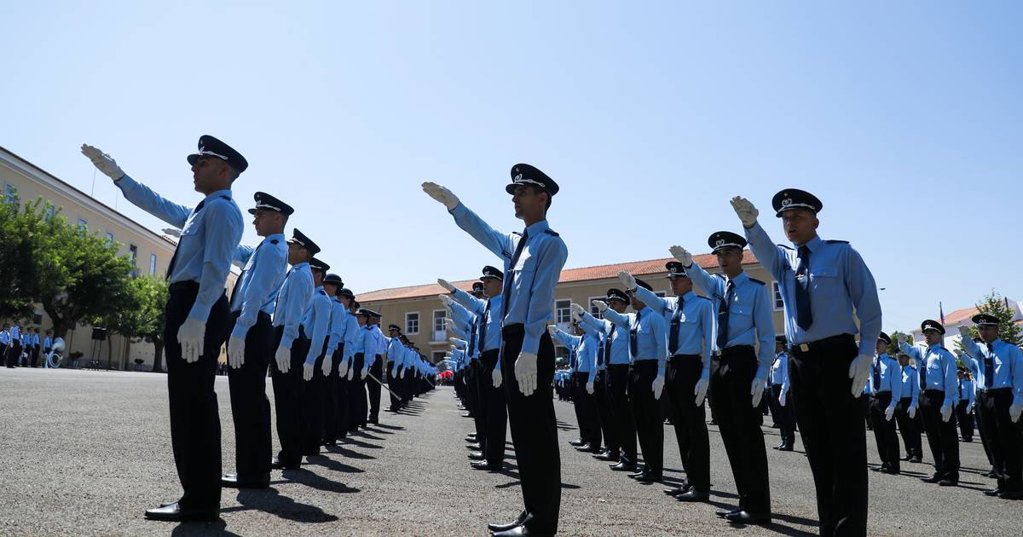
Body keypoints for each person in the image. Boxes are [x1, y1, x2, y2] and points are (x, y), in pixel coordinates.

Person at [82, 136, 245, 521]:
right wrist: (119, 176)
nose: (194, 166)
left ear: (225, 170)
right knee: (189, 401)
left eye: (202, 162)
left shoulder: (222, 211)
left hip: (196, 304)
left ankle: (200, 500)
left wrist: (198, 315)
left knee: (194, 402)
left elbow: (217, 266)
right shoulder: (203, 209)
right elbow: (157, 204)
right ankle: (198, 495)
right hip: (190, 303)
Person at [424, 163, 567, 537]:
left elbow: (540, 300)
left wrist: (530, 348)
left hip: (529, 344)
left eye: (522, 192)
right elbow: (482, 230)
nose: (515, 198)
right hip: (514, 343)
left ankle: (541, 524)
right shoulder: (517, 245)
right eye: (514, 193)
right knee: (522, 433)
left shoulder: (550, 243)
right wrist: (454, 205)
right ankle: (531, 512)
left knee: (537, 434)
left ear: (543, 198)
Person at [733, 189, 880, 536]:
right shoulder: (785, 261)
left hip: (837, 356)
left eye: (797, 217)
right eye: (784, 219)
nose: (790, 224)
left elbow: (868, 302)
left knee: (847, 448)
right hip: (801, 362)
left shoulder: (841, 254)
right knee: (817, 448)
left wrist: (866, 352)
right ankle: (828, 525)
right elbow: (765, 251)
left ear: (815, 220)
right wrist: (751, 226)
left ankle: (849, 529)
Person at [671, 231, 773, 524]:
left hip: (742, 362)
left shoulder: (755, 289)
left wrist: (762, 371)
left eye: (728, 253)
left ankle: (758, 505)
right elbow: (701, 279)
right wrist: (689, 264)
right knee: (729, 434)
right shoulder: (716, 287)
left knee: (748, 436)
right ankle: (746, 501)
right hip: (718, 364)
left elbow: (766, 335)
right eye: (719, 255)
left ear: (741, 255)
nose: (723, 259)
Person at [621, 263, 714, 501]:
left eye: (678, 279)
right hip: (673, 366)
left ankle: (702, 485)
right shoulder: (669, 306)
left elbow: (708, 343)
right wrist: (635, 289)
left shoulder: (703, 306)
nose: (673, 283)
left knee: (695, 428)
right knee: (681, 427)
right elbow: (653, 301)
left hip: (691, 366)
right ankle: (689, 479)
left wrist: (706, 375)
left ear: (690, 281)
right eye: (671, 279)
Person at [222, 192, 291, 489]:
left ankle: (253, 471)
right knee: (248, 399)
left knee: (248, 400)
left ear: (278, 218)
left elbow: (257, 293)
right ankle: (253, 468)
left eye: (260, 215)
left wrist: (240, 329)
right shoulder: (265, 247)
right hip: (250, 324)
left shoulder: (274, 250)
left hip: (251, 325)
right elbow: (238, 252)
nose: (254, 219)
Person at [442, 266, 508, 471]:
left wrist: (499, 364)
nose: (485, 285)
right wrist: (454, 294)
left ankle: (495, 458)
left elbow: (504, 337)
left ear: (501, 283)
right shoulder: (486, 306)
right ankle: (488, 451)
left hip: (495, 358)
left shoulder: (505, 304)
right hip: (482, 360)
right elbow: (470, 305)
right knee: (483, 408)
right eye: (484, 281)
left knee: (495, 411)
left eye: (489, 281)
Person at [958, 314, 1023, 499]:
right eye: (980, 329)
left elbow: (1019, 376)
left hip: (1003, 397)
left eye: (987, 328)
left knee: (1009, 442)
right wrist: (964, 337)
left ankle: (1015, 486)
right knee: (992, 441)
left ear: (996, 330)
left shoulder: (1011, 350)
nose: (983, 332)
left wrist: (1019, 400)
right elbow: (971, 349)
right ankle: (1001, 483)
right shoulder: (981, 350)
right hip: (984, 397)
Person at [270, 229, 318, 471]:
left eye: (292, 246)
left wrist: (285, 343)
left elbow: (294, 314)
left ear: (303, 251)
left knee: (287, 398)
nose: (287, 249)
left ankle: (290, 454)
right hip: (287, 335)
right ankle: (291, 451)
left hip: (289, 335)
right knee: (289, 397)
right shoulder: (297, 273)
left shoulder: (300, 276)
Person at [898, 321, 959, 486]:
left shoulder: (944, 355)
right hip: (924, 397)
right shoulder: (921, 352)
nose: (928, 335)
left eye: (932, 332)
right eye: (926, 333)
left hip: (940, 397)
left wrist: (948, 402)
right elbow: (908, 350)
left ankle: (951, 473)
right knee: (932, 435)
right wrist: (902, 342)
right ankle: (939, 469)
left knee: (946, 436)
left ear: (940, 335)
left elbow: (951, 380)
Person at [868, 333, 902, 474]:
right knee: (878, 433)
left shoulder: (892, 363)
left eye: (879, 342)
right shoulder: (871, 361)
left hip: (886, 399)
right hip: (874, 399)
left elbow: (897, 385)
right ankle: (884, 461)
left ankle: (894, 464)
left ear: (886, 344)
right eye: (874, 342)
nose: (876, 345)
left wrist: (893, 403)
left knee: (889, 433)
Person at [768, 335, 796, 451]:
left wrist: (783, 393)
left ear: (780, 344)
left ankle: (789, 442)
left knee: (786, 417)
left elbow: (786, 378)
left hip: (782, 390)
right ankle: (783, 440)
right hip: (775, 389)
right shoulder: (776, 358)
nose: (773, 346)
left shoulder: (784, 358)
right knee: (780, 417)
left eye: (775, 343)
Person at [894, 353, 923, 463]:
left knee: (913, 429)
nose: (900, 359)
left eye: (902, 357)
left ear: (907, 358)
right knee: (903, 429)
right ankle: (908, 452)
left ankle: (917, 454)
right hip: (899, 402)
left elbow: (916, 388)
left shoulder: (913, 372)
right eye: (899, 357)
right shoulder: (897, 372)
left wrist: (914, 403)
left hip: (909, 401)